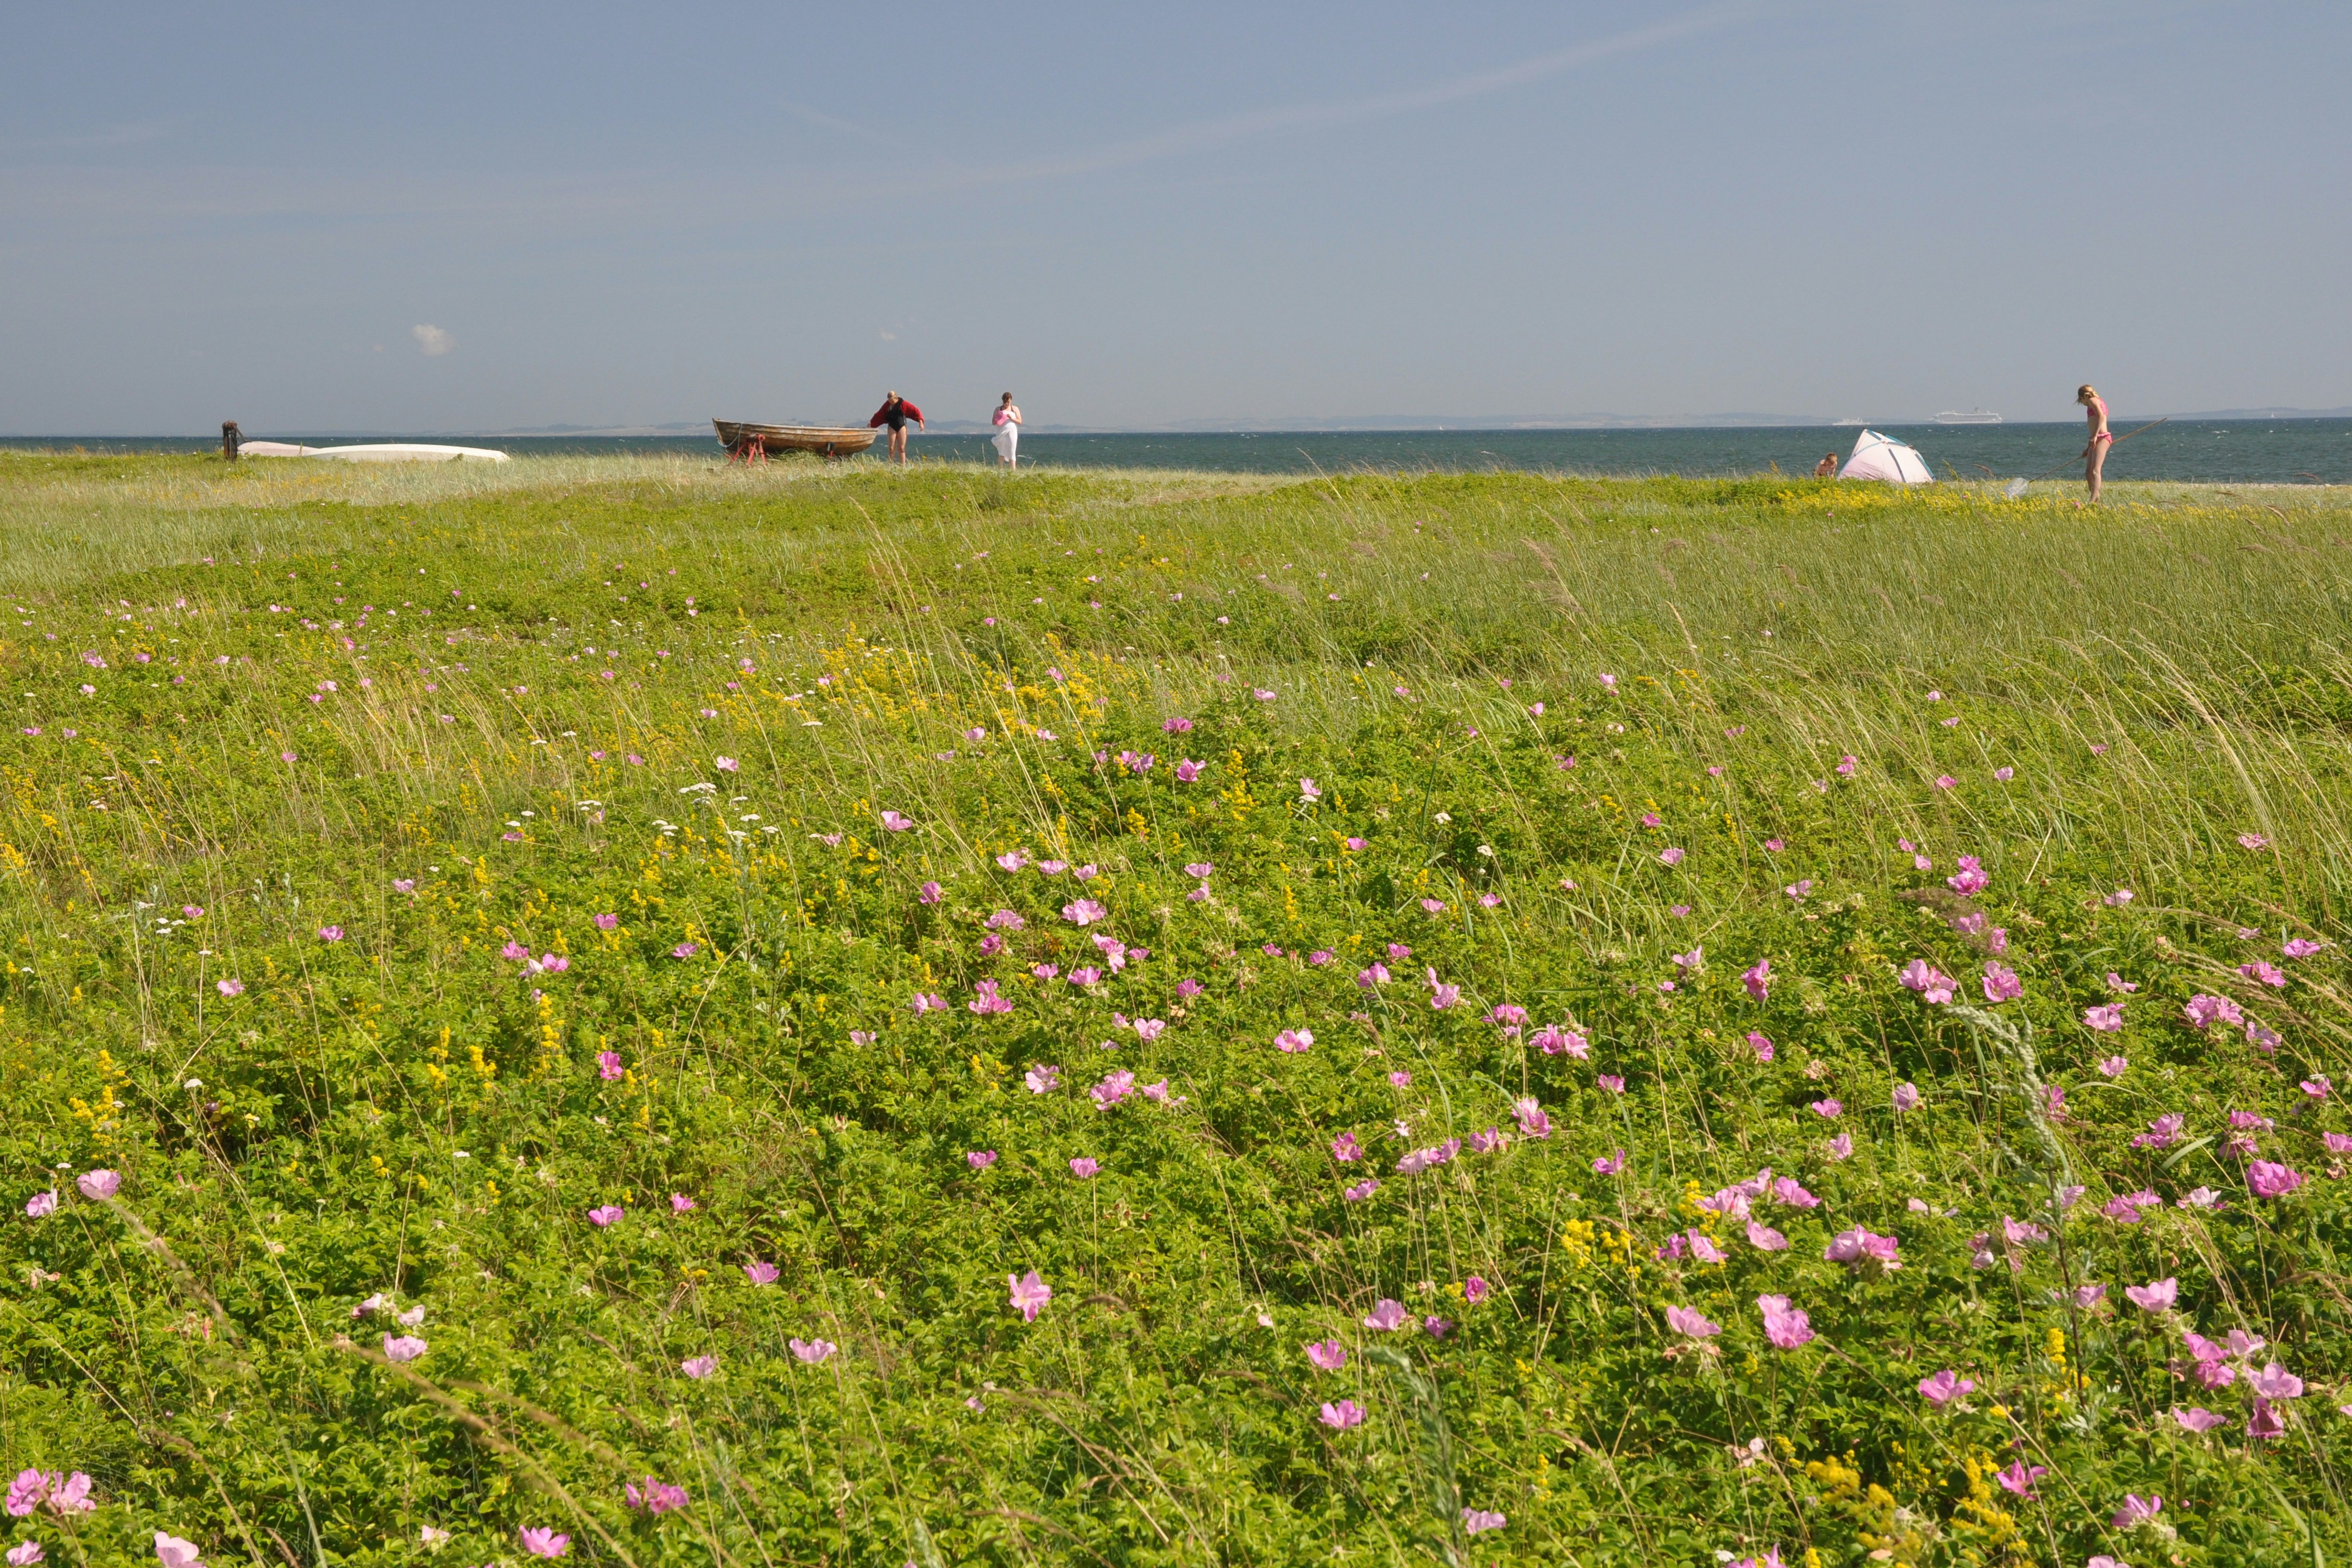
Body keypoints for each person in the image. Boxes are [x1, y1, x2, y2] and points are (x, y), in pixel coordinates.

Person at [2076, 383, 2113, 503]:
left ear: (2082, 398)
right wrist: (2088, 448)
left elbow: (2101, 416)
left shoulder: (2092, 401)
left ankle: (2093, 501)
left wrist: (2096, 436)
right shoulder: (2094, 401)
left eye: (2081, 401)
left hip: (2102, 437)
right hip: (2096, 438)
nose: (2083, 404)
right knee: (2088, 472)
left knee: (2095, 471)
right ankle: (2095, 500)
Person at [869, 391, 924, 464]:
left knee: (902, 448)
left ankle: (903, 466)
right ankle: (890, 464)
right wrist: (872, 424)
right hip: (892, 426)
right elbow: (879, 414)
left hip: (901, 426)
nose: (891, 403)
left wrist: (921, 422)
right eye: (890, 401)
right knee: (891, 449)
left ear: (896, 398)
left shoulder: (903, 404)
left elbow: (915, 411)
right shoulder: (887, 405)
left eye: (893, 401)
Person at [991, 393, 1022, 469]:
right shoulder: (998, 409)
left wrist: (1011, 418)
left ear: (1011, 400)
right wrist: (999, 417)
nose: (1007, 404)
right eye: (1005, 402)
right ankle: (1000, 470)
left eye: (1008, 402)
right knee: (1001, 452)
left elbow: (1020, 421)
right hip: (1002, 433)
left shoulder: (1015, 409)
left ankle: (1013, 471)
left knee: (1012, 451)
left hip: (1012, 433)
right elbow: (994, 422)